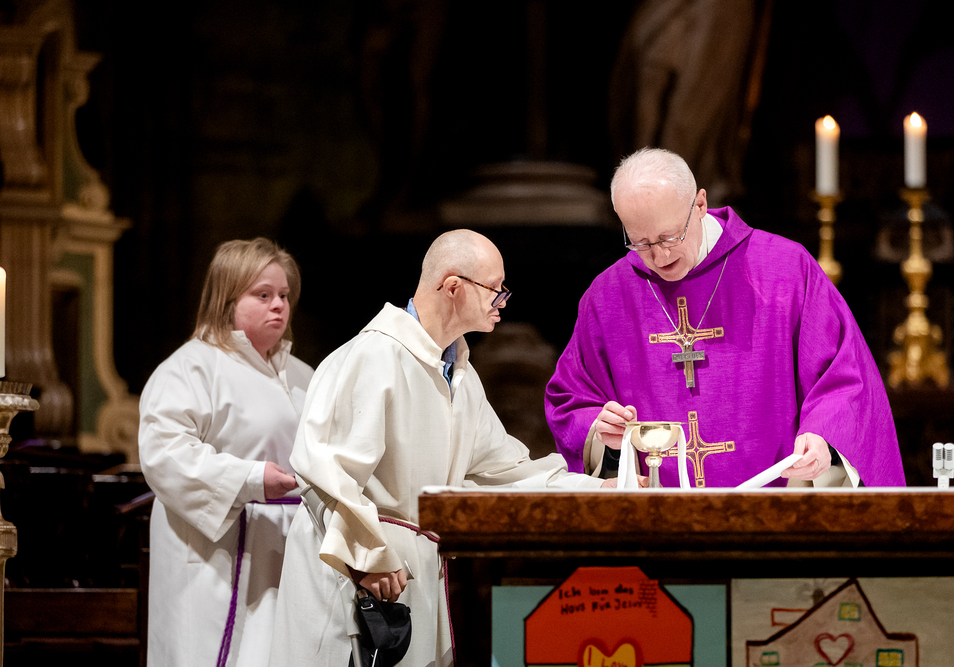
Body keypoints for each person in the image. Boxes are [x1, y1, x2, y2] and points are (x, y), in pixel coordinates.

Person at [268, 229, 615, 667]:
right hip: (359, 575)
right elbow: (324, 471)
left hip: (415, 574)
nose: (502, 301)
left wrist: (600, 490)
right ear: (453, 287)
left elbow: (507, 471)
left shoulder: (460, 377)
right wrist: (368, 556)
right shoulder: (374, 357)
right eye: (495, 289)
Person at [545, 148, 905, 488]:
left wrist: (823, 435)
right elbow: (572, 399)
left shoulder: (784, 271)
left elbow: (845, 377)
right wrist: (599, 428)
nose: (660, 255)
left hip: (775, 508)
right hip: (657, 514)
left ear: (700, 204)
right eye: (641, 242)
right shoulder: (609, 296)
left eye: (670, 237)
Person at [138, 238, 314, 667]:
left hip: (290, 551)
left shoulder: (303, 375)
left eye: (284, 295)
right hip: (217, 551)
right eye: (263, 295)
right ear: (226, 299)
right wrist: (251, 479)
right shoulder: (190, 368)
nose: (279, 305)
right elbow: (166, 454)